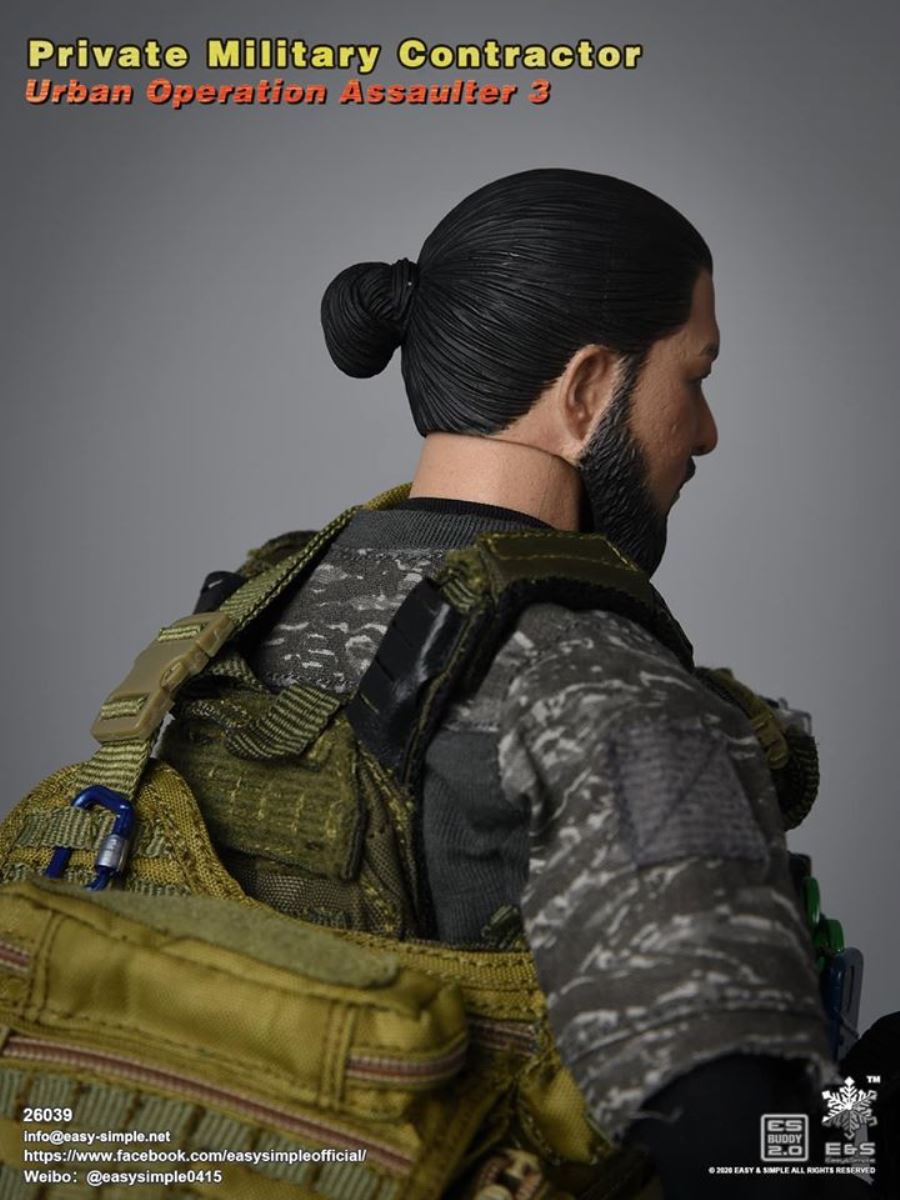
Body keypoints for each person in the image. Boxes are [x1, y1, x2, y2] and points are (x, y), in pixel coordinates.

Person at [207, 168, 888, 1197]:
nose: (706, 431)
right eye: (695, 376)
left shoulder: (249, 610)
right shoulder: (606, 686)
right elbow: (751, 1161)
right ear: (586, 391)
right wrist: (868, 1102)